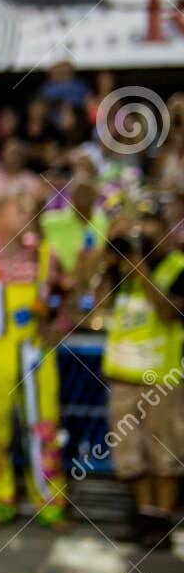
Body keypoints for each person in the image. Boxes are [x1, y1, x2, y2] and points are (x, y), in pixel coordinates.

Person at [0, 193, 71, 529]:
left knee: (45, 426)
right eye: (18, 206)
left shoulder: (47, 257)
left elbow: (64, 298)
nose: (27, 212)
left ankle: (51, 504)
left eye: (30, 208)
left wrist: (57, 326)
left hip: (37, 353)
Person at [95, 211, 184, 551]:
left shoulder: (177, 267)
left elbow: (166, 312)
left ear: (167, 236)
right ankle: (144, 518)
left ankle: (162, 522)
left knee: (165, 453)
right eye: (138, 238)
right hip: (124, 376)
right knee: (131, 455)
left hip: (163, 377)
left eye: (149, 238)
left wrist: (142, 271)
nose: (142, 245)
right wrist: (108, 256)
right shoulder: (122, 271)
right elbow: (98, 305)